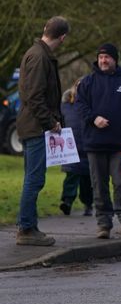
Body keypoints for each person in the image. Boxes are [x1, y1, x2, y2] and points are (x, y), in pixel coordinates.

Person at [75, 43, 121, 239]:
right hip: (94, 144)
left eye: (107, 57)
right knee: (99, 186)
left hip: (119, 144)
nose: (103, 61)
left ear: (115, 60)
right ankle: (103, 225)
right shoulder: (87, 83)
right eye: (100, 57)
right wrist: (93, 118)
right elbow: (80, 106)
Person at [15, 16, 69, 246]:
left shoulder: (35, 53)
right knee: (34, 179)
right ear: (63, 37)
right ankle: (26, 229)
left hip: (30, 124)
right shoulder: (40, 57)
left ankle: (29, 226)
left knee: (32, 178)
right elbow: (35, 97)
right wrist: (50, 122)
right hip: (36, 127)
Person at [59, 80, 93, 216]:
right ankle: (67, 202)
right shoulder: (65, 105)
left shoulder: (91, 106)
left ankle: (88, 204)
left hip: (87, 147)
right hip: (70, 147)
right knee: (71, 177)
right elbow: (59, 121)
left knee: (87, 180)